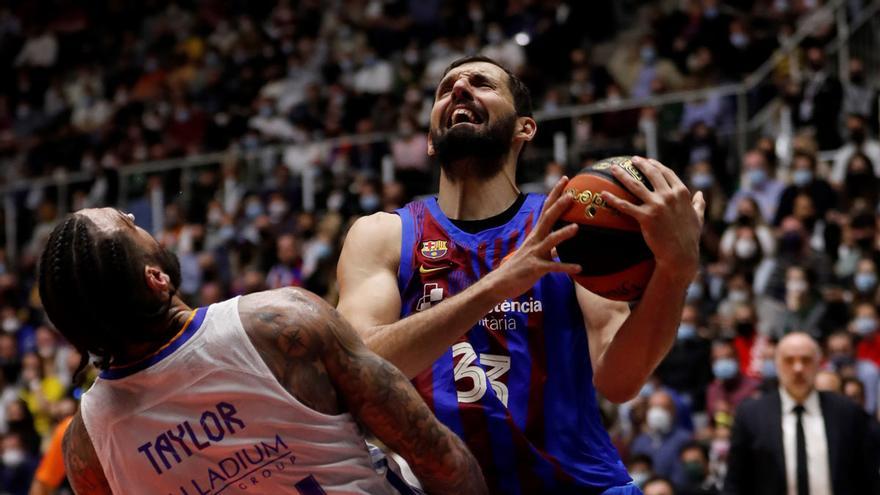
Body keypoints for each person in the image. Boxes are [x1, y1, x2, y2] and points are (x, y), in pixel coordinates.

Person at [337, 55, 705, 493]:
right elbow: (356, 372)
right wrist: (497, 286)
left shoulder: (571, 225)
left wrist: (675, 271)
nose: (459, 89)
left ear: (523, 129)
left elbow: (619, 381)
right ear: (431, 142)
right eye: (446, 87)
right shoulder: (384, 235)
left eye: (481, 83)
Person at [37, 208, 487, 494]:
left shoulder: (87, 446)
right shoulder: (279, 322)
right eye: (130, 224)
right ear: (156, 279)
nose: (137, 217)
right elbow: (437, 457)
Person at [723, 332, 880, 495]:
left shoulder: (847, 412)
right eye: (789, 360)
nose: (798, 368)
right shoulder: (751, 415)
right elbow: (735, 483)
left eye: (806, 360)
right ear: (777, 365)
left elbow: (869, 479)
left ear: (819, 364)